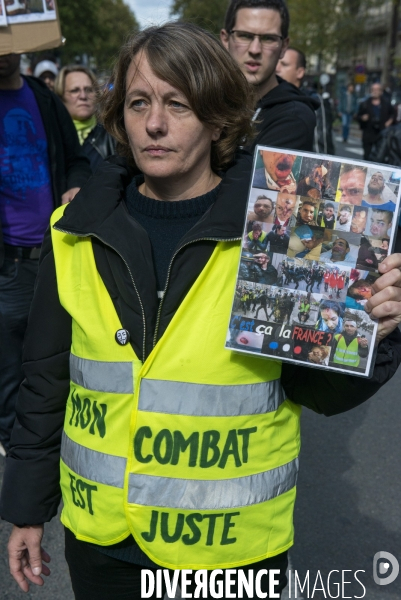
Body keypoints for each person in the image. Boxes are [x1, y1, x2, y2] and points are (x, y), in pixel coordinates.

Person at [2, 23, 401, 600]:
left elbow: (319, 391)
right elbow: (44, 382)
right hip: (103, 544)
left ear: (218, 119)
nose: (155, 123)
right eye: (139, 102)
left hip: (231, 555)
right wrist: (27, 510)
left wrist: (376, 330)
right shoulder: (72, 232)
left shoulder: (285, 233)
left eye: (178, 104)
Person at [0, 53, 91, 457]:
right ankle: (14, 442)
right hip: (8, 262)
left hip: (55, 254)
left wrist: (75, 185)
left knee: (55, 354)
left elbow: (76, 160)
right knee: (9, 365)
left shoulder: (44, 99)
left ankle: (54, 441)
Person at [220, 0, 319, 152]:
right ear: (225, 39)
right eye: (245, 36)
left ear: (284, 46)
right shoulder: (206, 99)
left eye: (268, 38)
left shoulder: (294, 117)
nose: (255, 49)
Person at [55, 66, 116, 172]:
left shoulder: (113, 135)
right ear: (60, 97)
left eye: (89, 90)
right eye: (75, 90)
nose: (83, 96)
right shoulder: (52, 137)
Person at [276, 47, 335, 154]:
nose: (277, 68)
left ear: (300, 72)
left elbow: (321, 145)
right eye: (276, 63)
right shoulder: (269, 98)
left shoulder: (314, 101)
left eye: (284, 65)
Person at [357, 83, 394, 160]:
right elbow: (358, 116)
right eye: (373, 89)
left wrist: (389, 122)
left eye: (377, 89)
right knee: (367, 155)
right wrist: (362, 118)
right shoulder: (365, 103)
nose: (375, 91)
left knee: (380, 157)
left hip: (382, 132)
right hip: (368, 132)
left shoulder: (386, 103)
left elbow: (393, 114)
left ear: (381, 91)